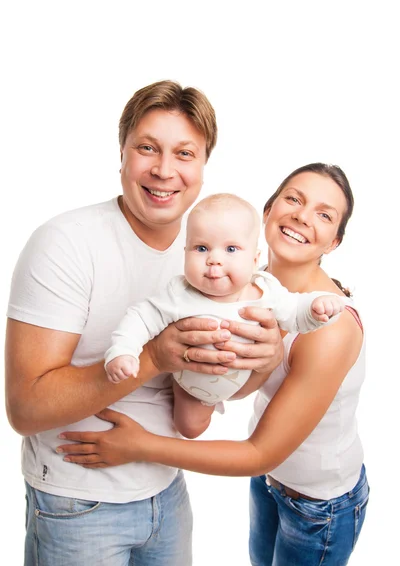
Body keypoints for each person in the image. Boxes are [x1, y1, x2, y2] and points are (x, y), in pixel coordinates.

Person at [5, 80, 284, 566]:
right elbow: (25, 409)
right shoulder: (65, 243)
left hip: (167, 492)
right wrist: (154, 357)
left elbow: (211, 385)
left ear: (202, 167)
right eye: (147, 148)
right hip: (77, 503)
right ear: (122, 154)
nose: (163, 170)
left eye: (185, 153)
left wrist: (263, 363)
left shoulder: (211, 254)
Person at [58, 163, 369, 566]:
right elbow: (232, 381)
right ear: (269, 210)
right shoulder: (242, 281)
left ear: (334, 242)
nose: (302, 216)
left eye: (324, 215)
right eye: (294, 199)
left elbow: (261, 452)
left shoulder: (327, 327)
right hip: (270, 484)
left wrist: (140, 446)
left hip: (318, 505)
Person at [105, 192, 345, 437]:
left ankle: (215, 398)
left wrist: (317, 307)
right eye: (201, 248)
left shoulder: (265, 290)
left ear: (254, 260)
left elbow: (295, 313)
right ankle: (182, 391)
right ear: (184, 252)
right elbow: (142, 316)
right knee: (190, 428)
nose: (214, 260)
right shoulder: (180, 294)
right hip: (191, 385)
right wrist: (124, 350)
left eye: (231, 249)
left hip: (241, 377)